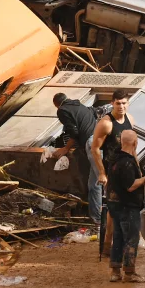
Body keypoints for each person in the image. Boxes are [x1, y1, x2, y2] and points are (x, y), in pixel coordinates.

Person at [106, 130, 145, 283]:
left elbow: (126, 182)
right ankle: (129, 273)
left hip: (115, 205)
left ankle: (115, 272)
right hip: (127, 206)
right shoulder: (127, 162)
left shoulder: (114, 159)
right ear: (135, 143)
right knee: (131, 239)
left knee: (119, 237)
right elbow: (130, 186)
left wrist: (142, 181)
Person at [91, 89, 135, 241]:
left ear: (128, 103)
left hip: (128, 170)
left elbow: (132, 145)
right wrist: (102, 173)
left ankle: (122, 239)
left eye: (123, 103)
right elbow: (95, 148)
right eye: (118, 103)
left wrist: (137, 169)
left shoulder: (130, 119)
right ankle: (108, 241)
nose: (121, 106)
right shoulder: (106, 124)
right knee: (114, 208)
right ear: (112, 104)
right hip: (113, 170)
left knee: (129, 206)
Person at [49, 92, 101, 221]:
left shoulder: (62, 110)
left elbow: (74, 131)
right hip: (99, 139)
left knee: (96, 184)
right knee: (92, 184)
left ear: (56, 104)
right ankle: (96, 217)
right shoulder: (80, 105)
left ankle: (99, 220)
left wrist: (66, 148)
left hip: (92, 144)